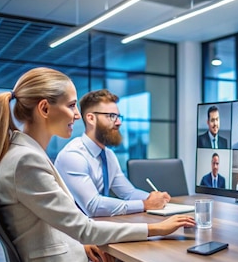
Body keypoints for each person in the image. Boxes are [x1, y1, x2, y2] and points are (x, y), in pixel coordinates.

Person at [0, 67, 212, 262]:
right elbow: (84, 224)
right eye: (71, 105)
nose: (76, 115)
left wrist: (82, 245)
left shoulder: (24, 153)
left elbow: (50, 222)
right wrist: (154, 228)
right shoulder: (27, 161)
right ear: (45, 109)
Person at [55, 89, 171, 217]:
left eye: (118, 116)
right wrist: (145, 204)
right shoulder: (73, 156)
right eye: (111, 116)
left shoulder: (108, 155)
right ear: (91, 118)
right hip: (73, 233)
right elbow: (93, 206)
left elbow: (128, 193)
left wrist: (154, 198)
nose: (119, 122)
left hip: (100, 227)